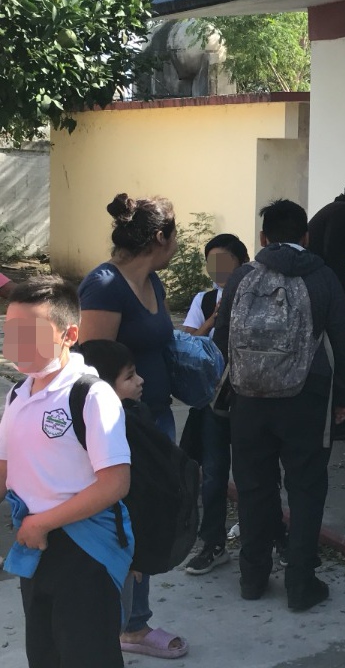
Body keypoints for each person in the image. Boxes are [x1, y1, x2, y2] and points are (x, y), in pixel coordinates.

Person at [214, 199, 345, 612]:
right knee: (306, 489)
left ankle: (252, 579)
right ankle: (300, 583)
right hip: (306, 400)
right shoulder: (323, 277)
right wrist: (343, 399)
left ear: (263, 238)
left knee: (255, 489)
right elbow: (343, 342)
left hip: (248, 401)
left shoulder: (242, 276)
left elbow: (222, 336)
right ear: (305, 237)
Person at [1, 277, 134, 668]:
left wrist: (43, 523)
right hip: (36, 546)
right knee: (45, 654)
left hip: (86, 548)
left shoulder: (90, 394)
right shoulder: (18, 394)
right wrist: (37, 527)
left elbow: (115, 482)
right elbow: (7, 469)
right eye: (11, 332)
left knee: (88, 655)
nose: (17, 343)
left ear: (69, 334)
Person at [77, 193, 186, 658]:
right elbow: (91, 365)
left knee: (150, 519)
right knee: (122, 524)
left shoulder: (154, 282)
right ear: (160, 238)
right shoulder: (104, 286)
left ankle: (133, 622)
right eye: (175, 232)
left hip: (155, 418)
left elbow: (159, 341)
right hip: (118, 429)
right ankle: (122, 626)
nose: (178, 240)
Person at [180, 234, 249, 575]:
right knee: (214, 472)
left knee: (257, 469)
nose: (219, 270)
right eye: (213, 263)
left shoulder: (255, 292)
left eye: (226, 262)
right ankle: (213, 542)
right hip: (211, 397)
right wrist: (212, 322)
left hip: (250, 395)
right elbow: (185, 342)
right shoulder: (205, 299)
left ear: (241, 263)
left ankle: (265, 534)